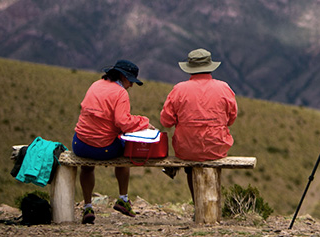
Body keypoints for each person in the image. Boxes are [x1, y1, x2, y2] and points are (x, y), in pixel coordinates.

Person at [72, 59, 152, 224]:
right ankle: (123, 198)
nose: (131, 85)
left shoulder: (95, 85)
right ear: (123, 77)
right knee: (126, 149)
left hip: (79, 145)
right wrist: (144, 122)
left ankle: (87, 206)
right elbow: (123, 123)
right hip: (104, 148)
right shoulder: (121, 93)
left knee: (87, 166)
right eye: (130, 81)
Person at [160, 48, 238, 200]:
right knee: (209, 160)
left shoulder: (179, 89)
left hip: (186, 149)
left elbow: (166, 122)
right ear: (210, 66)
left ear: (190, 68)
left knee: (190, 163)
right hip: (217, 146)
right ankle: (212, 204)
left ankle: (197, 204)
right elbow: (231, 119)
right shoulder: (224, 87)